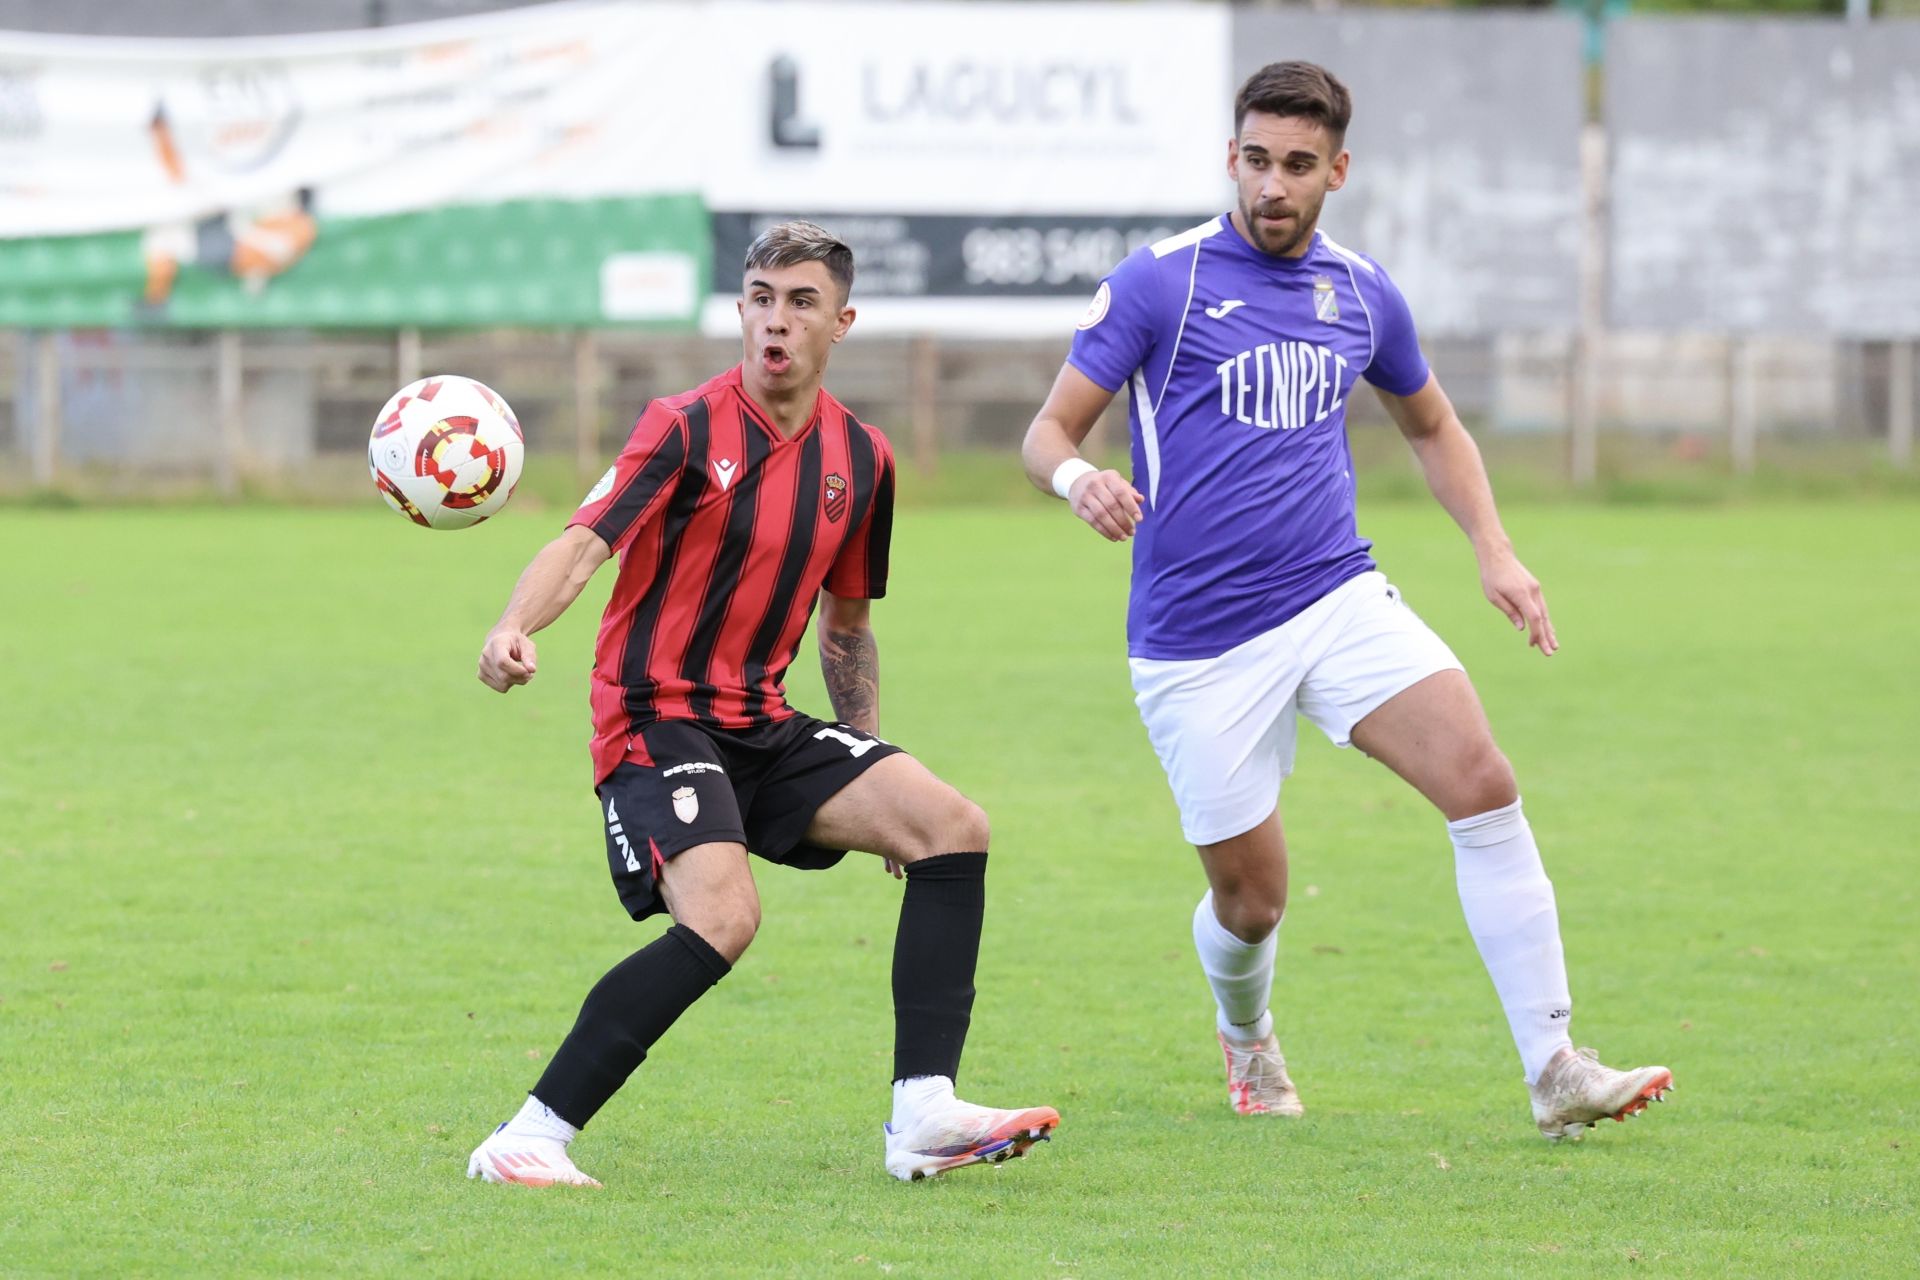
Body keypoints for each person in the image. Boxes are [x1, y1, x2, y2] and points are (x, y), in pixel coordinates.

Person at [1019, 62, 1671, 1141]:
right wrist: (1078, 478)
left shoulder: (1364, 292)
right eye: (1257, 160)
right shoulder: (1161, 283)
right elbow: (1047, 429)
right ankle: (1246, 1031)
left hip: (1334, 594)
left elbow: (1432, 425)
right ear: (1234, 156)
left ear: (1338, 171)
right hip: (1196, 642)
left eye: (1299, 166)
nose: (1273, 185)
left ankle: (1554, 1063)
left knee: (1483, 780)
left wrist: (1495, 550)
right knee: (1253, 899)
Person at [467, 220, 1058, 1186]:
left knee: (951, 827)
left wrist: (869, 756)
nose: (774, 322)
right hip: (653, 714)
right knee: (724, 919)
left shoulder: (864, 460)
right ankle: (530, 1134)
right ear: (742, 309)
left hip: (761, 719)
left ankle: (923, 1113)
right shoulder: (684, 424)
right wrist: (512, 625)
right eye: (760, 299)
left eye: (800, 303)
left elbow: (848, 625)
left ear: (842, 322)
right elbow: (584, 542)